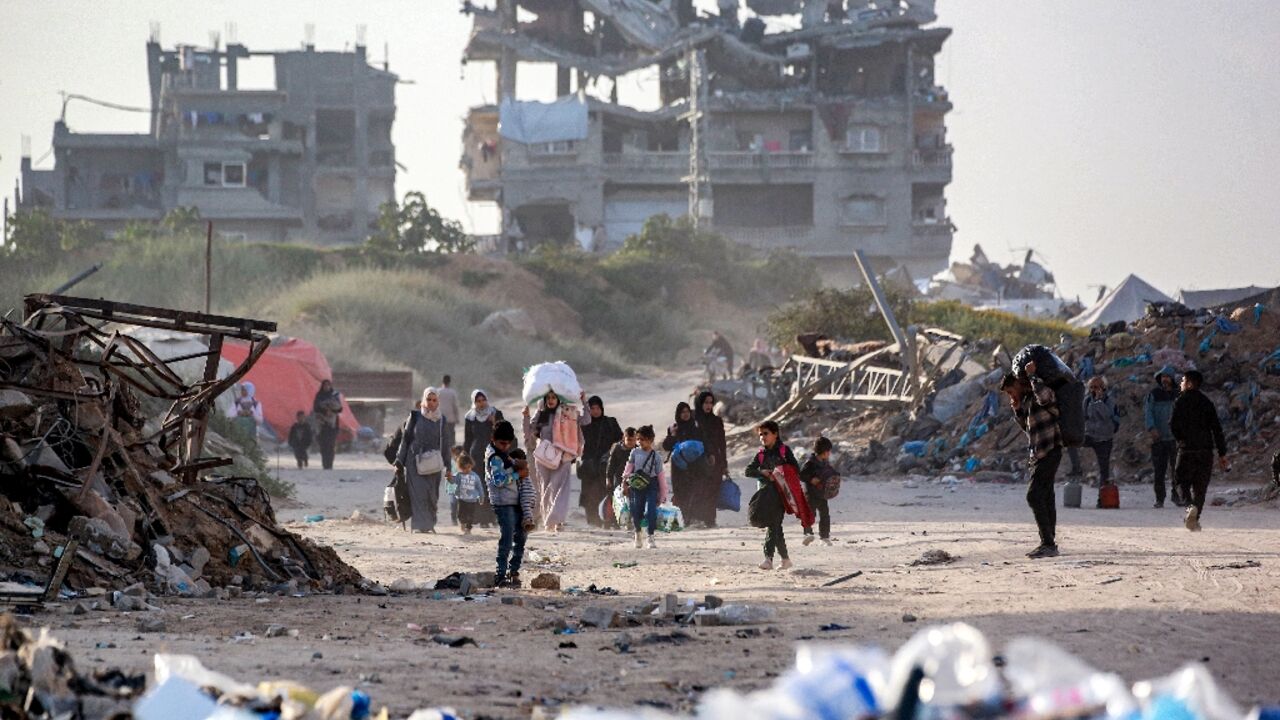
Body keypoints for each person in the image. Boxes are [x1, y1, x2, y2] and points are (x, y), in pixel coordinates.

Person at [1002, 366, 1062, 558]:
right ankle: (1049, 541)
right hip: (1038, 453)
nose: (1011, 395)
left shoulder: (1039, 391)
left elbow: (1046, 398)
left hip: (1050, 449)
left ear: (1018, 384)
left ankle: (1048, 543)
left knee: (1034, 495)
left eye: (1011, 391)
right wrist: (1018, 408)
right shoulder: (1027, 401)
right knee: (1046, 496)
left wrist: (1032, 375)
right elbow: (1028, 430)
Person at [523, 390, 591, 533]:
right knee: (546, 489)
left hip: (564, 456)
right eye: (548, 398)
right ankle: (549, 520)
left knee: (560, 489)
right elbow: (529, 433)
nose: (551, 400)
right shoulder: (541, 414)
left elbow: (586, 420)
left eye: (554, 397)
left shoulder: (568, 412)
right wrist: (526, 416)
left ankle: (558, 521)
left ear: (559, 399)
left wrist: (584, 402)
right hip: (544, 458)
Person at [1170, 370, 1229, 532]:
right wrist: (1222, 453)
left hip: (1187, 450)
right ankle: (1195, 517)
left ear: (1189, 383)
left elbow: (1173, 425)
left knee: (1181, 481)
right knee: (1200, 488)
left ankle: (1190, 508)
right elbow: (1217, 429)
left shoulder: (1180, 402)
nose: (1181, 384)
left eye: (1183, 381)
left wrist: (1181, 439)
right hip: (1205, 451)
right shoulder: (1207, 402)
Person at [394, 388, 452, 533]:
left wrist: (449, 466)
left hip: (434, 462)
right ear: (423, 400)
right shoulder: (414, 417)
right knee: (418, 494)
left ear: (438, 401)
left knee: (432, 495)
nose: (431, 403)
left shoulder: (441, 420)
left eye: (434, 400)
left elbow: (445, 443)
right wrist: (399, 461)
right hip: (414, 460)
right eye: (429, 399)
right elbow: (405, 440)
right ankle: (420, 526)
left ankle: (430, 523)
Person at [744, 420, 800, 570]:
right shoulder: (760, 455)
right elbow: (748, 471)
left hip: (782, 494)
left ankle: (768, 558)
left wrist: (780, 472)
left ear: (775, 434)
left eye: (766, 433)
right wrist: (761, 473)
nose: (762, 437)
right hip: (765, 495)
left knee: (773, 524)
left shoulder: (784, 451)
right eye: (760, 434)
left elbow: (795, 469)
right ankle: (786, 559)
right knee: (775, 525)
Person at [487, 422, 535, 587]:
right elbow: (498, 481)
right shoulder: (494, 458)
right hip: (503, 503)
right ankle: (500, 575)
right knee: (507, 540)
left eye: (508, 443)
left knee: (520, 538)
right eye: (502, 443)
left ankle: (513, 571)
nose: (505, 446)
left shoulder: (503, 454)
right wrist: (518, 474)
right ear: (493, 439)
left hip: (514, 502)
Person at [578, 396, 622, 528]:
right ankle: (593, 521)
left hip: (605, 464)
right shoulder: (583, 425)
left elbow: (620, 440)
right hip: (589, 466)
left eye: (597, 408)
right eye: (592, 408)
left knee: (606, 491)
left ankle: (610, 519)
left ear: (602, 408)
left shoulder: (610, 422)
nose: (595, 411)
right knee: (588, 494)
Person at [463, 390, 503, 529]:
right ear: (474, 402)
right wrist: (465, 459)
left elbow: (504, 433)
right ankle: (482, 519)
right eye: (478, 401)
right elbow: (468, 439)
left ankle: (494, 517)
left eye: (483, 400)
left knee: (494, 485)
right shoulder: (470, 417)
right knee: (479, 486)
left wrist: (495, 422)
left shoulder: (495, 413)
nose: (481, 403)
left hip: (493, 454)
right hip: (476, 455)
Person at [623, 425, 669, 549]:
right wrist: (625, 483)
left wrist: (663, 495)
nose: (639, 442)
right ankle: (637, 533)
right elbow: (629, 468)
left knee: (651, 511)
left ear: (651, 439)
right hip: (636, 485)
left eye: (642, 439)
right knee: (636, 510)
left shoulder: (657, 456)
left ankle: (651, 536)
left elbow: (661, 477)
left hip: (651, 485)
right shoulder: (634, 452)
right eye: (638, 439)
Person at [662, 402, 706, 526]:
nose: (685, 414)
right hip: (678, 466)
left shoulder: (696, 427)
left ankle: (692, 518)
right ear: (678, 414)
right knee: (680, 491)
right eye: (682, 412)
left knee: (694, 490)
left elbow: (703, 443)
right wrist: (673, 435)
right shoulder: (674, 428)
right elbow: (666, 446)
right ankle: (682, 519)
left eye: (687, 411)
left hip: (694, 465)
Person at [1145, 366, 1181, 508]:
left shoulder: (1179, 394)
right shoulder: (1154, 394)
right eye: (1162, 377)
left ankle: (1177, 495)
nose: (1164, 379)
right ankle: (1160, 498)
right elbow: (1148, 412)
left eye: (1167, 376)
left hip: (1175, 437)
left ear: (1172, 378)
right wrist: (1152, 428)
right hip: (1158, 438)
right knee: (1159, 470)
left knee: (1177, 469)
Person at [691, 390, 727, 528]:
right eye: (706, 402)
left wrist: (724, 463)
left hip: (715, 460)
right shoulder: (694, 419)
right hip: (698, 460)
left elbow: (722, 444)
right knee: (700, 489)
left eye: (711, 403)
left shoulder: (716, 421)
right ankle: (697, 518)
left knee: (713, 490)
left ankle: (710, 520)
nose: (708, 405)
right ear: (700, 403)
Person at [1082, 376, 1119, 507]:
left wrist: (1099, 402)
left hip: (1104, 438)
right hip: (1091, 435)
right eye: (1091, 387)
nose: (1093, 390)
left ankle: (1102, 499)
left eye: (1096, 387)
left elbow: (1107, 415)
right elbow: (1083, 417)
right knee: (1071, 443)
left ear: (1103, 388)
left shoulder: (1109, 401)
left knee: (1104, 469)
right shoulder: (1087, 401)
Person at [800, 437, 835, 546]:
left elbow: (830, 472)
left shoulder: (825, 463)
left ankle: (824, 537)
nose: (830, 453)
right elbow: (801, 475)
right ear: (824, 452)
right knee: (810, 514)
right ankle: (807, 534)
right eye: (829, 451)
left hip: (822, 494)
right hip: (811, 494)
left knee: (825, 515)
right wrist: (811, 479)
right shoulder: (810, 463)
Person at [605, 427, 638, 529]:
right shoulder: (617, 449)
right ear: (624, 438)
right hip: (618, 478)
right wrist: (608, 478)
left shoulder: (637, 450)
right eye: (629, 440)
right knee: (618, 500)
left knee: (632, 500)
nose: (631, 442)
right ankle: (615, 522)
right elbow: (611, 465)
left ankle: (630, 521)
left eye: (633, 440)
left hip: (633, 479)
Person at [313, 379, 343, 470]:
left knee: (331, 445)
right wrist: (325, 410)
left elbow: (340, 409)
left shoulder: (334, 396)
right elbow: (316, 408)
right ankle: (325, 464)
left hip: (332, 425)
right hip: (322, 424)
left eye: (328, 385)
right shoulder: (319, 396)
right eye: (325, 385)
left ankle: (330, 464)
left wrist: (332, 411)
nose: (326, 387)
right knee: (323, 445)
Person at [453, 454, 485, 535]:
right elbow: (454, 481)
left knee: (470, 515)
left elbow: (479, 487)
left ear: (471, 466)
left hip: (472, 500)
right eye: (464, 468)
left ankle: (468, 528)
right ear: (460, 467)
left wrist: (481, 497)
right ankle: (463, 523)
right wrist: (449, 478)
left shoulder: (475, 476)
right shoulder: (459, 475)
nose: (467, 470)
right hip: (462, 499)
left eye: (469, 467)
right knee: (460, 514)